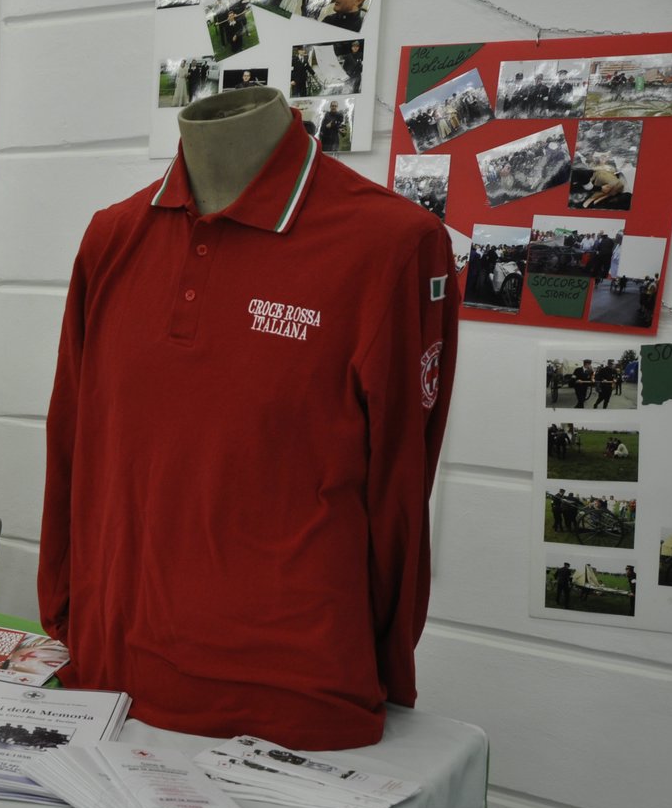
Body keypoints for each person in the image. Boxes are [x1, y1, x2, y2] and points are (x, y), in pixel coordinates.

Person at [40, 85, 457, 751]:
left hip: (291, 702)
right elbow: (70, 442)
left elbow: (400, 487)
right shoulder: (111, 236)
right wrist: (66, 614)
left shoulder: (393, 244)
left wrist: (387, 669)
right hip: (109, 679)